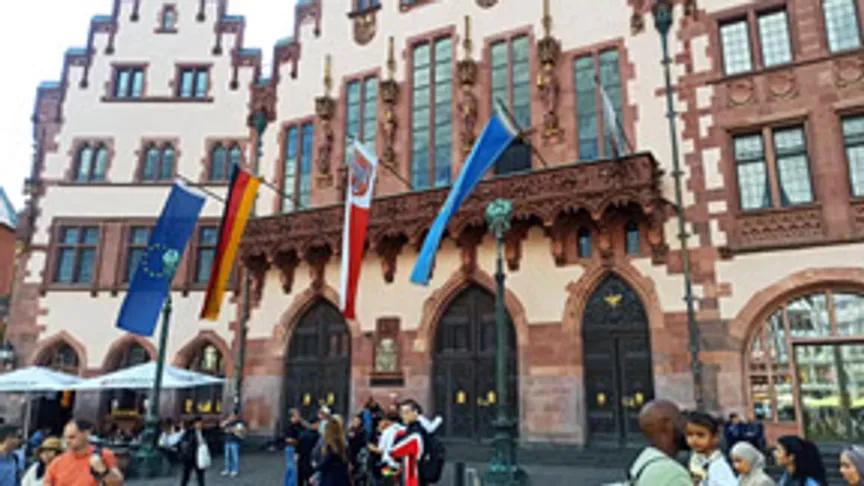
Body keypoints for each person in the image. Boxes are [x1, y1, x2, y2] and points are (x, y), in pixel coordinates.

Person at [627, 400, 692, 486]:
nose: (686, 425)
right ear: (668, 425)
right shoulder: (671, 473)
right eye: (680, 418)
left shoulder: (644, 462)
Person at [44, 419, 123, 486]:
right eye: (65, 438)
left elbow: (117, 483)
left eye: (72, 437)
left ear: (86, 434)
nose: (67, 441)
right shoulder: (57, 462)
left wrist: (103, 471)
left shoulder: (103, 455)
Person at [686, 411, 737, 486]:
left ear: (714, 438)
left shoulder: (718, 466)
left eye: (700, 435)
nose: (694, 440)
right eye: (690, 434)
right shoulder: (695, 461)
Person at [315, 420, 350, 486]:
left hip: (329, 479)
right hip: (342, 479)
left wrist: (316, 466)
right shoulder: (343, 445)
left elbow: (325, 464)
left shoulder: (330, 447)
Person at [178, 417, 208, 486]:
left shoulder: (204, 431)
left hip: (199, 456)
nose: (200, 425)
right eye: (198, 423)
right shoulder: (189, 432)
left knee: (200, 475)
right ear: (194, 424)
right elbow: (183, 441)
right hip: (190, 456)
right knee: (186, 475)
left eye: (201, 423)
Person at [297, 417, 321, 486]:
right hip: (312, 462)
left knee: (300, 481)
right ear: (316, 424)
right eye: (319, 424)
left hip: (301, 462)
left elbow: (298, 449)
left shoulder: (302, 434)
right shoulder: (317, 436)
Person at [283, 409, 304, 486]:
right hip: (291, 448)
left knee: (292, 468)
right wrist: (298, 441)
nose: (298, 417)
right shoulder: (289, 426)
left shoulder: (300, 425)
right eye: (297, 415)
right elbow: (288, 439)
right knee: (291, 468)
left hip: (296, 448)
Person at [220, 412, 245, 477]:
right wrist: (226, 422)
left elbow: (240, 430)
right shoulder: (228, 423)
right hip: (227, 441)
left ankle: (235, 470)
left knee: (235, 457)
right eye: (231, 416)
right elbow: (222, 426)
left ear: (236, 417)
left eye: (233, 416)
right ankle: (227, 470)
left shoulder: (239, 423)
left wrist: (231, 430)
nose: (232, 418)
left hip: (235, 442)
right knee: (227, 457)